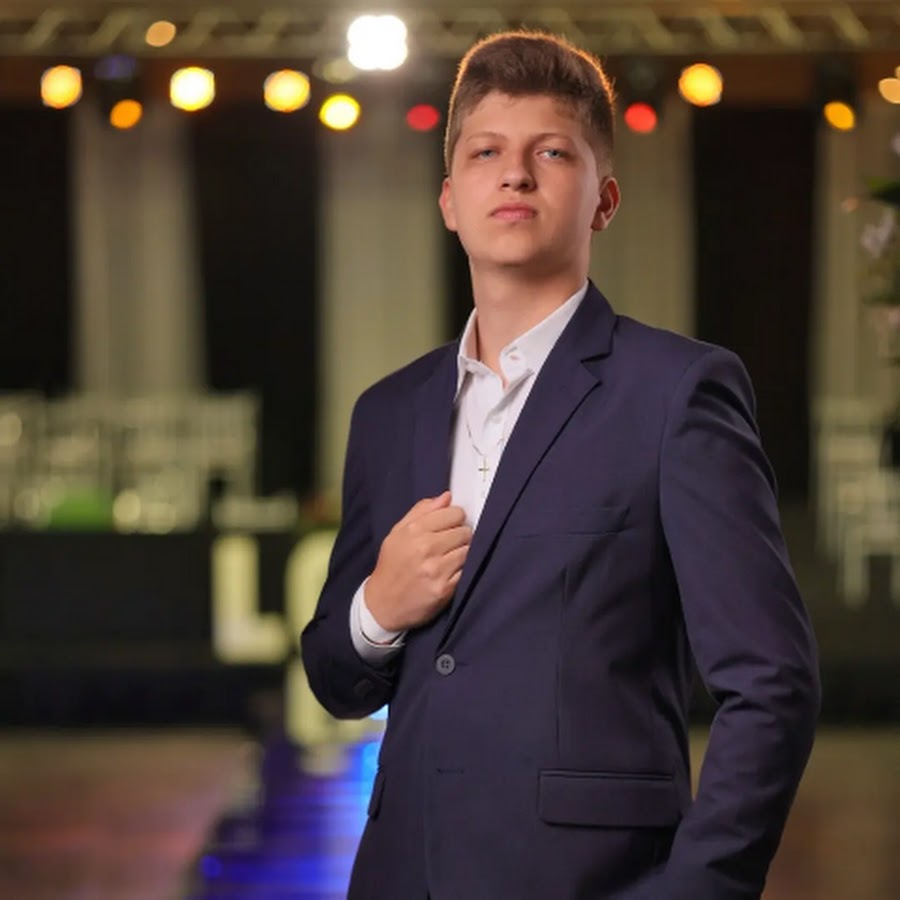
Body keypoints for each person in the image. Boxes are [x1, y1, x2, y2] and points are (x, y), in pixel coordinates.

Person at [301, 29, 820, 900]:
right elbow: (334, 678)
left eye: (551, 152)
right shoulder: (387, 413)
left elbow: (772, 685)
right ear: (449, 200)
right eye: (485, 153)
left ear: (603, 200)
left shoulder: (677, 393)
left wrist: (695, 890)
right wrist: (376, 609)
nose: (514, 174)